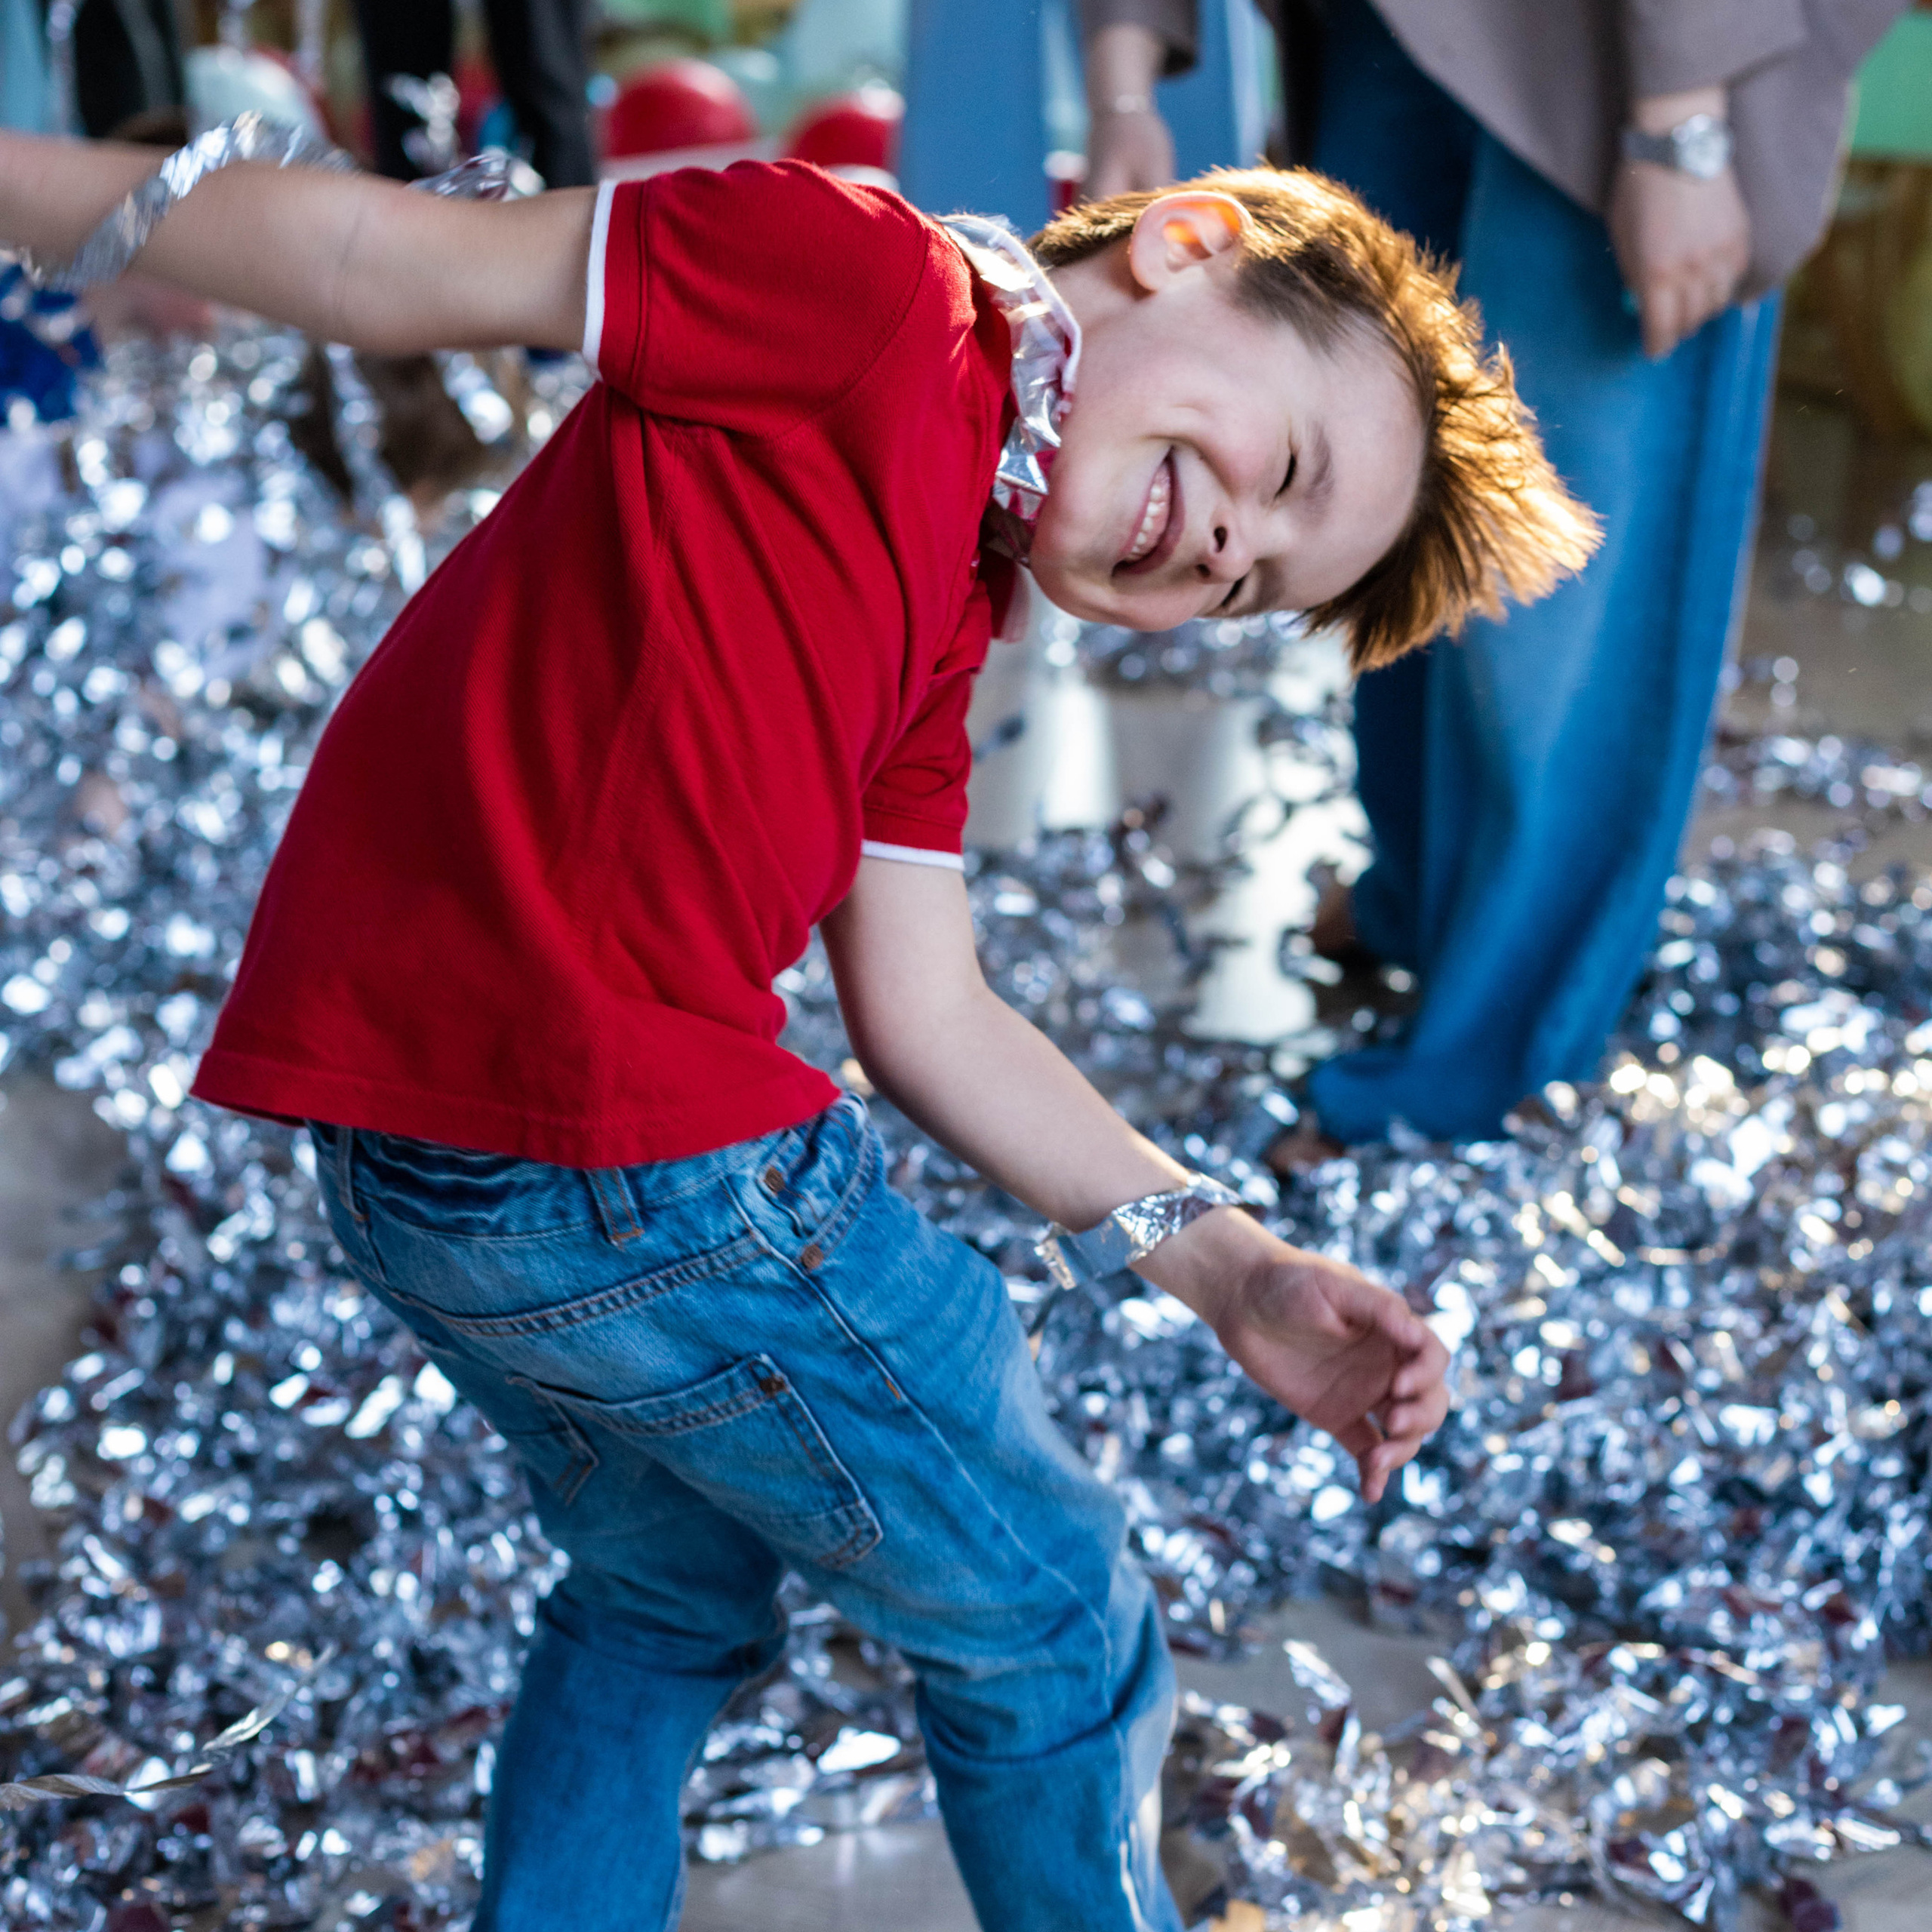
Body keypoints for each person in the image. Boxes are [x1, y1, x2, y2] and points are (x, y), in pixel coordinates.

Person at [0, 128, 1594, 1928]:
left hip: (434, 1175)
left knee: (665, 1593)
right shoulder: (857, 289)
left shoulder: (950, 610)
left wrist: (1227, 1270)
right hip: (629, 1164)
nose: (1231, 540)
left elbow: (925, 1009)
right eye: (1280, 467)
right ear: (1182, 246)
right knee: (1055, 1613)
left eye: (1252, 581)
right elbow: (380, 262)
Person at [1084, 0, 1910, 1149]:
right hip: (1384, 24)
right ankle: (1423, 900)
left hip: (1621, 50)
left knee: (1555, 588)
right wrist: (1123, 75)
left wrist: (1682, 117)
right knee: (1373, 509)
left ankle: (1488, 1071)